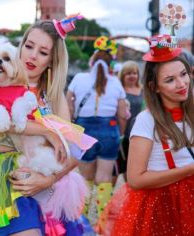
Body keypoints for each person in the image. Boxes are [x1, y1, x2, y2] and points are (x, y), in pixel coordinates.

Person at [0, 16, 94, 236]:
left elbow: (73, 153)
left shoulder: (53, 96)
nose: (32, 55)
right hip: (12, 181)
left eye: (43, 52)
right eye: (29, 46)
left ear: (52, 60)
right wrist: (45, 130)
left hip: (50, 185)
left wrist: (46, 180)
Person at [97, 34, 194, 235]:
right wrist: (189, 169)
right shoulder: (146, 120)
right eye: (170, 80)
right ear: (154, 87)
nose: (182, 84)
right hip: (160, 207)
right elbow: (135, 179)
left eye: (183, 74)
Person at [66, 36, 128, 219]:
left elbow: (68, 106)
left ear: (91, 61)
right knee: (104, 178)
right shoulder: (116, 82)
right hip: (109, 129)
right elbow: (123, 114)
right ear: (111, 64)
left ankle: (82, 221)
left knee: (85, 178)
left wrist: (70, 131)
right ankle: (103, 222)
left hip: (84, 130)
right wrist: (120, 134)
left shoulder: (78, 78)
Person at [115, 61, 144, 182]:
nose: (132, 76)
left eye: (134, 73)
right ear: (122, 75)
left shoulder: (144, 90)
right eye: (128, 73)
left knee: (139, 167)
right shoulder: (119, 91)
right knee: (125, 167)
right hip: (124, 134)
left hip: (141, 134)